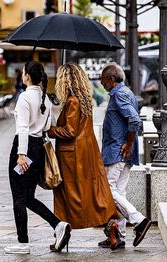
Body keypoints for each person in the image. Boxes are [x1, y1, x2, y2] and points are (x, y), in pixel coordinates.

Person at [47, 63, 121, 250]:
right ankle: (110, 227)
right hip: (86, 152)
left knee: (66, 197)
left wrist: (51, 130)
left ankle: (61, 234)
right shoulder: (84, 100)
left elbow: (70, 131)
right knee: (91, 195)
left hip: (71, 156)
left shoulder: (72, 101)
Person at [5, 61, 71, 255]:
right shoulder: (46, 99)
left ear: (27, 77)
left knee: (18, 196)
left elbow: (23, 128)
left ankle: (23, 243)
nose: (23, 75)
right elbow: (46, 127)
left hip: (24, 149)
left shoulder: (25, 98)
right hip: (38, 150)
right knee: (28, 197)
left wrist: (21, 155)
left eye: (24, 72)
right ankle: (58, 225)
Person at [99, 63, 152, 248]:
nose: (101, 83)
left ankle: (139, 221)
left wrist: (128, 144)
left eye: (103, 79)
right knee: (119, 193)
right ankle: (119, 235)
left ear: (112, 80)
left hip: (117, 152)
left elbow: (134, 119)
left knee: (109, 190)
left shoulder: (119, 94)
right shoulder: (127, 92)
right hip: (124, 153)